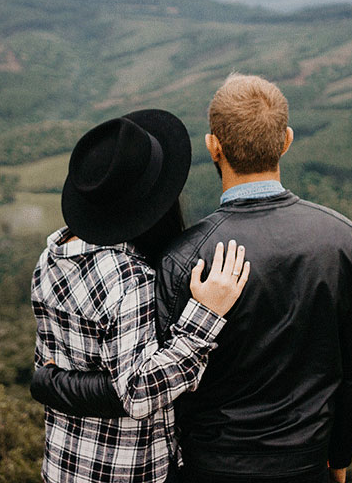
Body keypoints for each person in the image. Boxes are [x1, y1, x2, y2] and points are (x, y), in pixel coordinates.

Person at [33, 75, 352, 483]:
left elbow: (154, 389)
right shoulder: (344, 239)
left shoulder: (181, 258)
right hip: (307, 464)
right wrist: (338, 459)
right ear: (286, 140)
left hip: (207, 467)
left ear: (214, 146)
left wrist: (51, 382)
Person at [31, 108, 250, 483]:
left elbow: (53, 365)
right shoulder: (129, 279)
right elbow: (137, 393)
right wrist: (205, 316)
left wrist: (50, 383)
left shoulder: (53, 253)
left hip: (64, 462)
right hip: (124, 469)